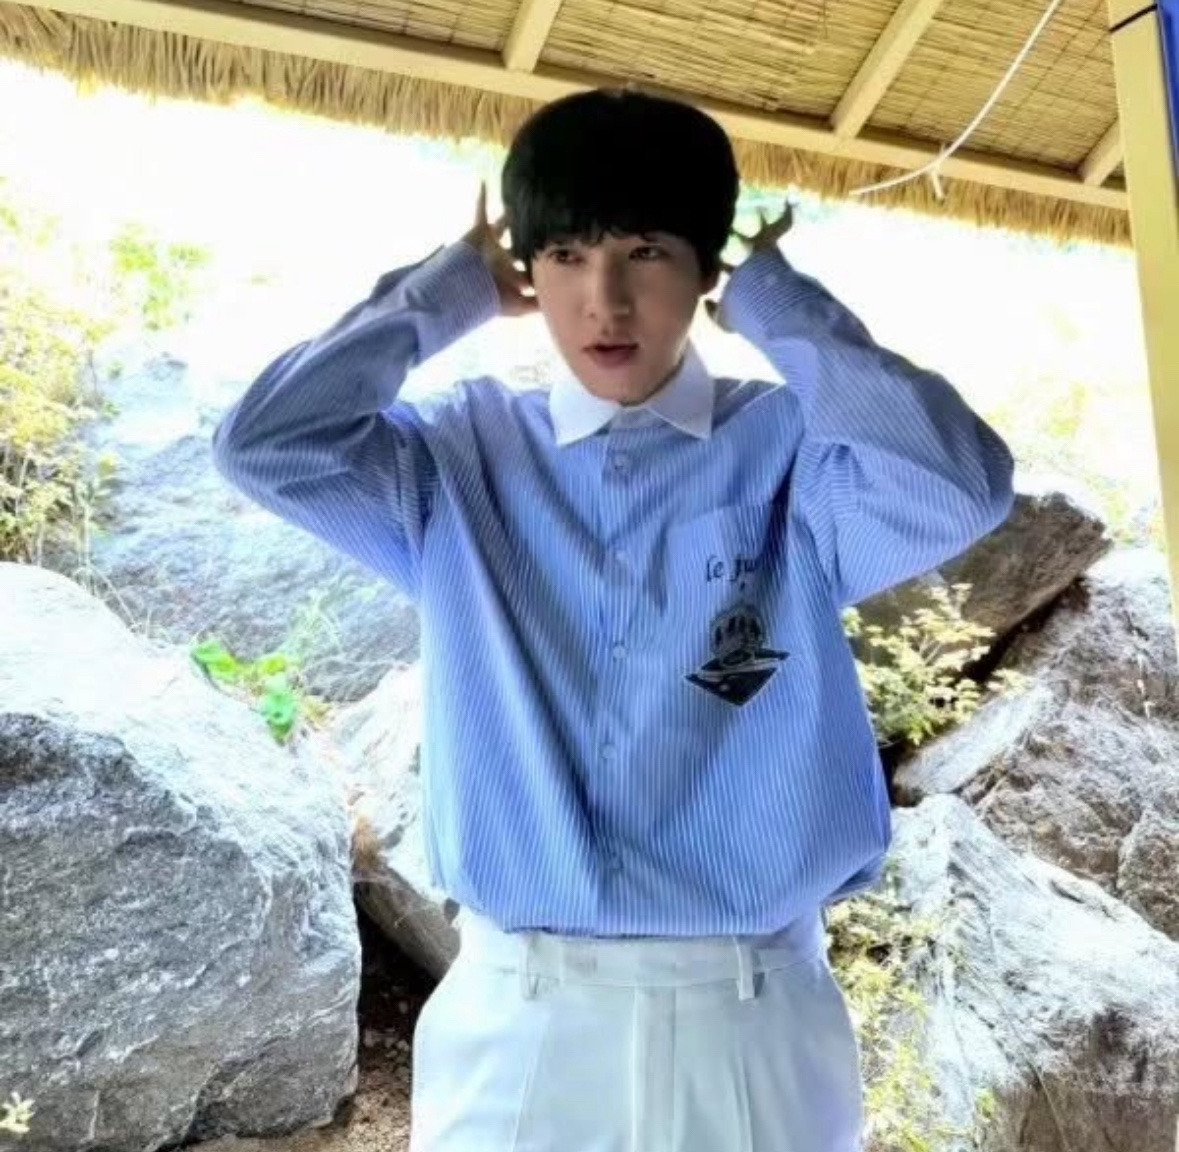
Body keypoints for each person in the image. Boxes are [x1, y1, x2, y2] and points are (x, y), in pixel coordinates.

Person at [213, 87, 1015, 1152]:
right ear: (527, 270)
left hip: (752, 1020)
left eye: (646, 252)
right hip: (520, 1021)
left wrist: (779, 304)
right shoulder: (454, 457)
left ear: (704, 266)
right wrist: (444, 293)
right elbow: (265, 444)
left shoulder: (793, 453)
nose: (606, 300)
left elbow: (959, 484)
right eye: (566, 255)